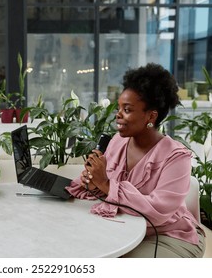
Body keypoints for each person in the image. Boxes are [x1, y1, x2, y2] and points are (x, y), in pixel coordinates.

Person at [66, 63, 205, 258]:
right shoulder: (117, 142)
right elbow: (105, 193)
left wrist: (106, 183)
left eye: (127, 109)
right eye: (119, 107)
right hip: (125, 229)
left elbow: (157, 211)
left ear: (151, 116)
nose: (118, 114)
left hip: (168, 235)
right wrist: (93, 180)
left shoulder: (177, 157)